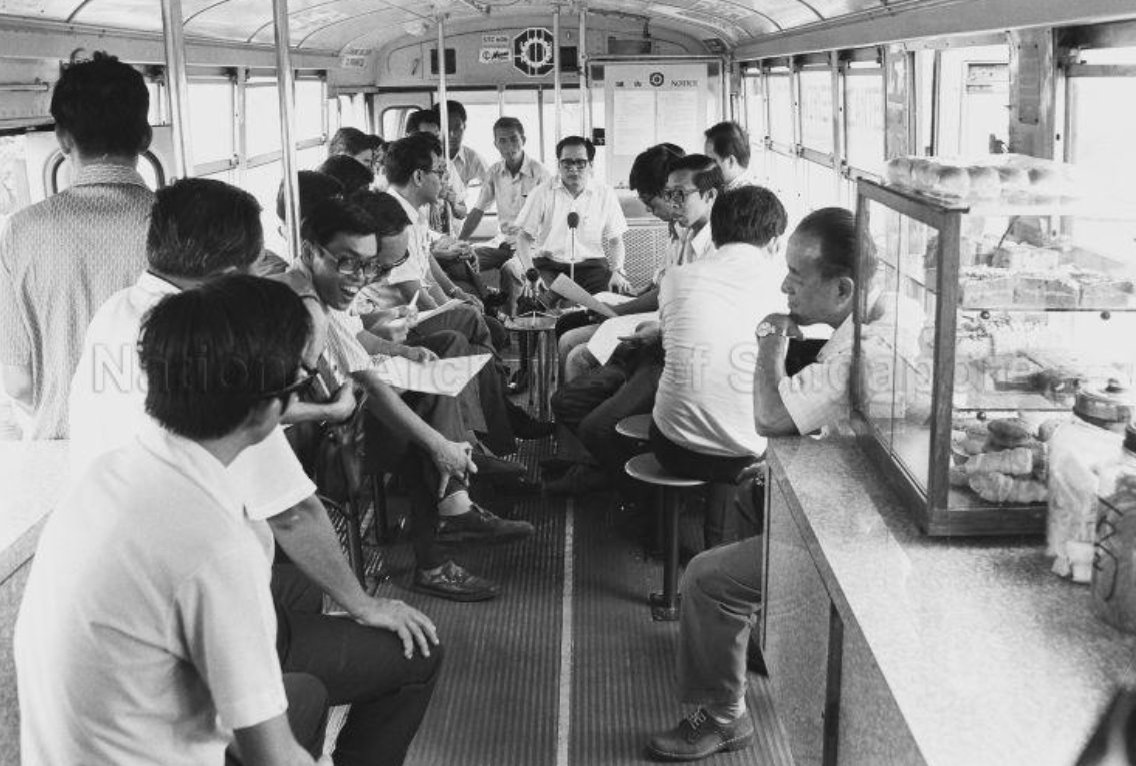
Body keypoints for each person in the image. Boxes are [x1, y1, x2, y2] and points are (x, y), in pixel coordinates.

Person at [68, 178, 445, 764]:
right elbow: (293, 512)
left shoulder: (114, 315)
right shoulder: (216, 353)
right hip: (188, 623)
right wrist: (366, 605)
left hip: (119, 603)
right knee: (416, 652)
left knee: (299, 586)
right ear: (230, 273)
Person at [17, 275, 334, 764]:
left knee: (302, 681)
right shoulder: (218, 545)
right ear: (268, 411)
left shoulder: (107, 474)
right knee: (306, 699)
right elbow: (273, 757)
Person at [645, 207, 869, 762]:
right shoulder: (867, 324)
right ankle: (755, 643)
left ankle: (723, 717)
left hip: (856, 532)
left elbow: (769, 416)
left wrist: (770, 336)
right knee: (752, 491)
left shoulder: (856, 354)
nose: (784, 286)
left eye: (796, 276)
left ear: (843, 289)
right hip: (847, 490)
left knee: (705, 577)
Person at [281, 193, 535, 602]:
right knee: (428, 411)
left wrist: (401, 353)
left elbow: (357, 356)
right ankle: (449, 516)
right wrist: (437, 444)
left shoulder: (316, 289)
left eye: (369, 266)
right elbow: (366, 387)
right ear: (312, 251)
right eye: (349, 263)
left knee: (430, 389)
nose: (361, 277)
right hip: (327, 447)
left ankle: (451, 508)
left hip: (339, 419)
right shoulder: (306, 305)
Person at [547, 155, 726, 494]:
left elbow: (692, 314)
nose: (672, 204)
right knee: (569, 376)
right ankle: (588, 460)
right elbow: (665, 291)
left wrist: (640, 321)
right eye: (668, 195)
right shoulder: (685, 234)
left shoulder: (717, 250)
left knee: (578, 357)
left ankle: (609, 476)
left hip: (673, 356)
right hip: (657, 344)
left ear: (710, 196)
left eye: (679, 195)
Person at [0, 51, 153, 438]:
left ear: (63, 139)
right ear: (145, 136)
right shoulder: (183, 226)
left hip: (62, 446)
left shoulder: (21, 231)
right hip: (159, 452)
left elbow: (18, 383)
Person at [646, 185, 788, 544]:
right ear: (774, 241)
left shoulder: (675, 278)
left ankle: (676, 538)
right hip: (745, 454)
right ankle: (721, 546)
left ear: (717, 232)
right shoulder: (782, 287)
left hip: (672, 446)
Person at [457, 116, 552, 315]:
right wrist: (460, 242)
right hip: (503, 242)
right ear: (496, 145)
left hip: (530, 246)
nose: (509, 146)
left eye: (514, 139)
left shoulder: (540, 174)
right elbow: (478, 210)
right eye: (503, 140)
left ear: (523, 140)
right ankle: (487, 300)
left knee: (510, 270)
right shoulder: (494, 171)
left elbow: (549, 219)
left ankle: (512, 321)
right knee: (461, 260)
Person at [513, 135, 630, 295]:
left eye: (580, 163)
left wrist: (617, 271)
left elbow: (615, 240)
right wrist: (530, 272)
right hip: (550, 266)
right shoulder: (542, 192)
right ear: (559, 164)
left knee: (614, 298)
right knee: (534, 301)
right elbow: (523, 237)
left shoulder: (605, 193)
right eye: (567, 163)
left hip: (592, 267)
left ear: (591, 164)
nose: (573, 169)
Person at [438, 100, 489, 187]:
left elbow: (491, 188)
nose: (452, 134)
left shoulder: (473, 159)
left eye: (457, 128)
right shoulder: (427, 158)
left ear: (464, 127)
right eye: (447, 128)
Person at [703, 121, 759, 190]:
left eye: (713, 161)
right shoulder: (727, 188)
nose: (706, 168)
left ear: (730, 161)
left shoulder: (745, 193)